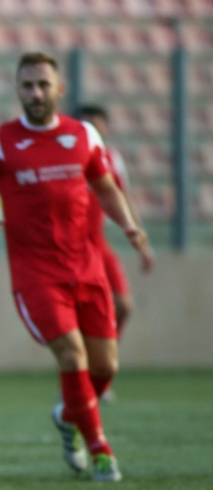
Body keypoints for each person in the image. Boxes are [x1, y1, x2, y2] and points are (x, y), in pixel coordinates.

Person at [0, 52, 152, 482]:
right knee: (72, 353)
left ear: (59, 90)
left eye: (43, 85)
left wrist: (131, 226)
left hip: (87, 268)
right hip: (36, 274)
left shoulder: (84, 135)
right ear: (17, 90)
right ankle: (101, 450)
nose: (36, 93)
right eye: (28, 85)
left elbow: (106, 187)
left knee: (105, 367)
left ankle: (67, 414)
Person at [76, 104, 154, 348]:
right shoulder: (66, 157)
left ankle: (101, 363)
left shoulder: (111, 159)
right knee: (75, 315)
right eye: (84, 123)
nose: (90, 128)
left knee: (123, 305)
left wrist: (142, 244)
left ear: (105, 128)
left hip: (97, 243)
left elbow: (124, 198)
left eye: (95, 123)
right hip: (69, 246)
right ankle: (79, 374)